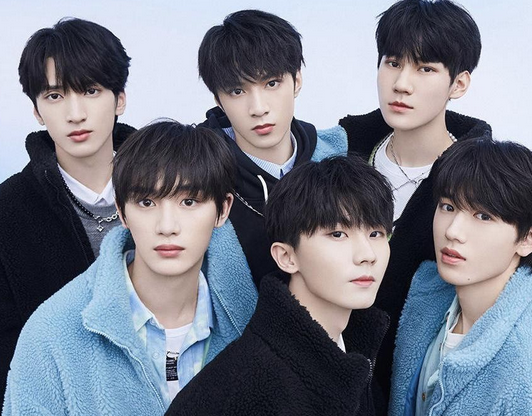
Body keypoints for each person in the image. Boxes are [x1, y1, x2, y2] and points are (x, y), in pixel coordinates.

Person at [2, 120, 255, 415]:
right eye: (147, 203)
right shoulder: (51, 335)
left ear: (222, 210)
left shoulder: (253, 326)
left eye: (189, 201)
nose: (167, 227)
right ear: (121, 211)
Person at [0, 17, 134, 416]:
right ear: (37, 110)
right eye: (55, 96)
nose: (75, 113)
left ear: (120, 99)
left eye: (91, 90)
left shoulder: (178, 190)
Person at [338, 0, 491, 403]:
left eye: (425, 69)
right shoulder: (339, 158)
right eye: (392, 63)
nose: (402, 84)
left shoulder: (481, 189)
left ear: (459, 84)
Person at [167, 156, 393, 416]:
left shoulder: (356, 351)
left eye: (375, 234)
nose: (367, 255)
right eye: (338, 234)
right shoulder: (247, 385)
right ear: (286, 257)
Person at [390, 138, 532, 415]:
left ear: (529, 238)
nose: (452, 231)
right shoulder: (427, 297)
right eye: (448, 207)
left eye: (483, 216)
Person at [197, 9, 347, 287]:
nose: (258, 108)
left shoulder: (337, 161)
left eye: (272, 83)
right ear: (218, 100)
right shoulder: (195, 176)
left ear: (297, 81)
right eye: (237, 91)